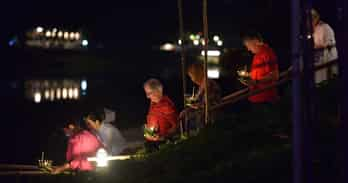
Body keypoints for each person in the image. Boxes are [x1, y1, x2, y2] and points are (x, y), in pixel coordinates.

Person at [238, 32, 279, 104]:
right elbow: (260, 74)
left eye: (248, 45)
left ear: (255, 41)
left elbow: (274, 76)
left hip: (265, 99)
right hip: (255, 97)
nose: (248, 49)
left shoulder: (267, 52)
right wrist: (247, 76)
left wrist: (255, 82)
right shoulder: (256, 55)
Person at [180, 63, 222, 131]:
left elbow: (208, 104)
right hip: (203, 115)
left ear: (198, 73)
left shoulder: (208, 84)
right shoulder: (203, 85)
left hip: (209, 117)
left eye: (191, 76)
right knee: (184, 114)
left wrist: (193, 105)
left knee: (185, 117)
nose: (192, 79)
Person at [143, 78, 178, 152]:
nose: (147, 96)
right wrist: (148, 132)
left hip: (162, 146)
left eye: (149, 93)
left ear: (157, 91)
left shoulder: (166, 106)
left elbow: (176, 127)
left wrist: (162, 137)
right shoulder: (153, 104)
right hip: (152, 143)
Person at [311, 8, 338, 84]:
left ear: (316, 18)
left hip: (326, 63)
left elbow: (330, 46)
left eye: (312, 18)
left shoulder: (325, 28)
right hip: (316, 65)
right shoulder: (312, 30)